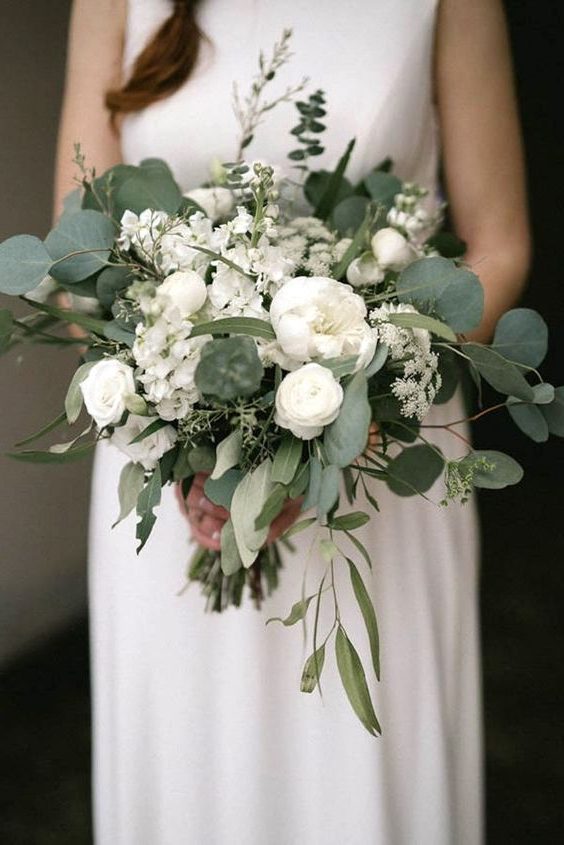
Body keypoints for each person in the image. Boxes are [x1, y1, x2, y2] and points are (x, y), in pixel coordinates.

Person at [54, 1, 530, 843]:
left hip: (382, 475)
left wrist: (355, 405)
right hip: (175, 484)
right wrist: (190, 425)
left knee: (361, 782)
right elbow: (73, 257)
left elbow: (498, 246)